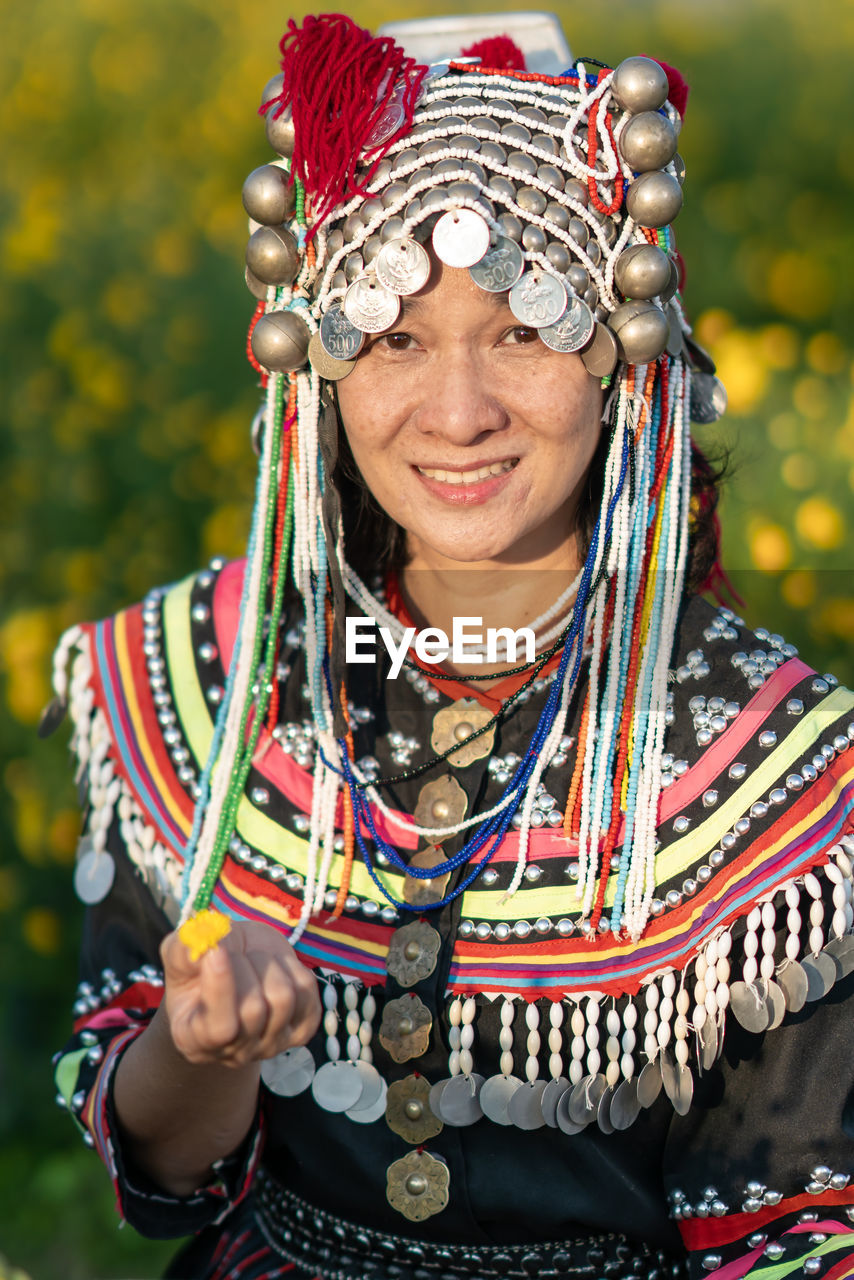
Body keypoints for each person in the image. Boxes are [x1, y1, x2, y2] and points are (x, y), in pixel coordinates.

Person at [48, 12, 854, 1280]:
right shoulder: (204, 679)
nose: (460, 411)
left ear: (623, 354)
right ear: (316, 362)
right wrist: (204, 1052)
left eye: (527, 327)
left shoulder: (776, 763)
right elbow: (156, 1181)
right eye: (394, 336)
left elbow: (795, 1239)